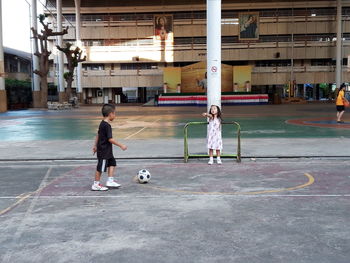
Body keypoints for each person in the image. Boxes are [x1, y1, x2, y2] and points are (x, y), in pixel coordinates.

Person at [91, 104, 127, 191]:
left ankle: (110, 181)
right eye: (114, 113)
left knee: (112, 163)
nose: (115, 116)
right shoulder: (107, 126)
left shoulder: (102, 123)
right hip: (104, 151)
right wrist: (121, 145)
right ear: (110, 114)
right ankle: (96, 184)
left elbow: (98, 135)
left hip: (107, 151)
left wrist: (95, 145)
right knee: (100, 168)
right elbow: (110, 139)